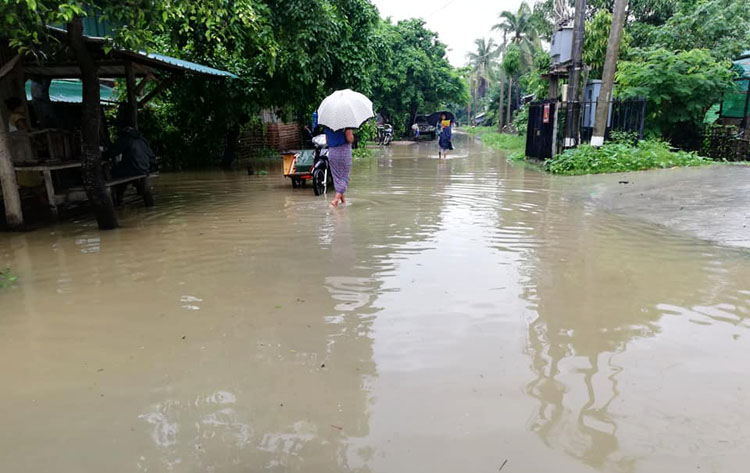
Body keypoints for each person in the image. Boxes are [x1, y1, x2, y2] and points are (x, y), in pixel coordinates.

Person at [103, 122, 157, 204]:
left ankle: (117, 200)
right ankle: (137, 194)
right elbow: (151, 156)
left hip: (134, 169)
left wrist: (102, 154)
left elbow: (113, 152)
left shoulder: (125, 138)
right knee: (124, 173)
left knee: (113, 173)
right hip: (144, 168)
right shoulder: (142, 139)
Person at [324, 127, 354, 207]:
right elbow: (349, 139)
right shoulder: (347, 125)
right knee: (345, 178)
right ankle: (335, 200)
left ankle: (343, 201)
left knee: (337, 177)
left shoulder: (327, 125)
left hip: (332, 152)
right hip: (343, 152)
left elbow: (326, 141)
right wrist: (352, 137)